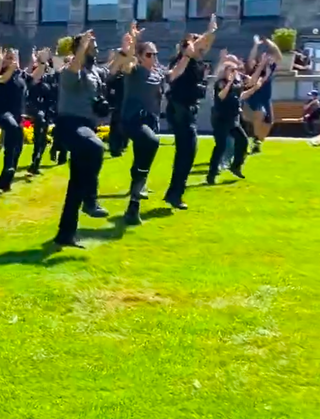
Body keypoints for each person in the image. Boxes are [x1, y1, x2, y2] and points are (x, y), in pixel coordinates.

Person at [53, 31, 111, 248]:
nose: (95, 47)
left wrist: (129, 45)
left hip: (86, 126)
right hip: (70, 125)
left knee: (76, 183)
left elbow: (115, 67)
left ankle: (65, 235)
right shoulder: (70, 68)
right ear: (82, 48)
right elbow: (74, 66)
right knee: (96, 148)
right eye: (91, 44)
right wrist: (81, 46)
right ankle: (91, 200)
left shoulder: (94, 71)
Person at [163, 16, 217, 211]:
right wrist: (187, 53)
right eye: (197, 45)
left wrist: (211, 33)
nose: (202, 48)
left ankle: (174, 193)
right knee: (186, 152)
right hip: (180, 109)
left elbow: (206, 43)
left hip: (189, 109)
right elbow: (172, 77)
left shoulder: (197, 61)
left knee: (186, 153)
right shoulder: (182, 60)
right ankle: (175, 194)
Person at [112, 24, 164, 226]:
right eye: (150, 54)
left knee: (141, 158)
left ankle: (132, 209)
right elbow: (123, 63)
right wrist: (131, 43)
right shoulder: (133, 71)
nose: (154, 58)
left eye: (155, 54)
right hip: (132, 120)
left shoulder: (157, 73)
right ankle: (141, 181)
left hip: (150, 120)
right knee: (151, 142)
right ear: (141, 56)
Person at [207, 51, 249, 183]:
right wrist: (230, 82)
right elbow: (221, 96)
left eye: (235, 70)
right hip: (221, 119)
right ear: (225, 71)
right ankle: (211, 175)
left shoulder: (236, 83)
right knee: (220, 146)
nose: (234, 72)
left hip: (232, 119)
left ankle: (236, 166)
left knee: (243, 141)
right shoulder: (220, 83)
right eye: (231, 70)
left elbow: (241, 93)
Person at [0, 48, 26, 191]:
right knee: (13, 129)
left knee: (18, 145)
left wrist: (42, 63)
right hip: (2, 112)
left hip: (17, 115)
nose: (11, 61)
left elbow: (34, 78)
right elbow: (0, 81)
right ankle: (8, 167)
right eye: (9, 57)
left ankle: (6, 179)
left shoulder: (20, 75)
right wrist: (9, 68)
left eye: (14, 58)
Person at [244, 34, 281, 153]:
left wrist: (269, 42)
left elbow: (278, 55)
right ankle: (255, 140)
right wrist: (255, 45)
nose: (266, 57)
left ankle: (257, 141)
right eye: (264, 56)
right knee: (259, 117)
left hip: (266, 98)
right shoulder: (254, 68)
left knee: (269, 122)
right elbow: (250, 58)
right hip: (255, 98)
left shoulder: (269, 68)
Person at [24, 47, 55, 174]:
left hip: (47, 106)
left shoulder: (50, 73)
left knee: (43, 136)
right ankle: (35, 159)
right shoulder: (35, 70)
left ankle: (37, 159)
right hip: (35, 105)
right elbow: (32, 81)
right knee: (39, 132)